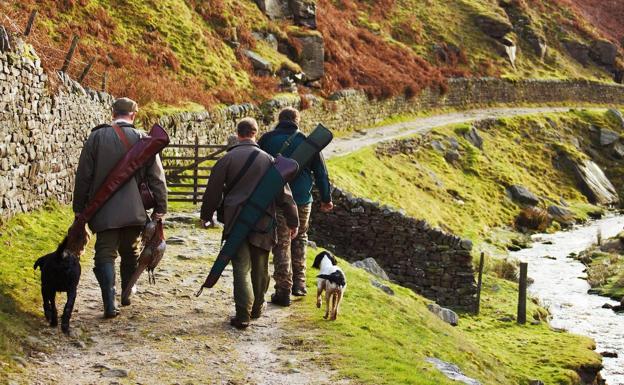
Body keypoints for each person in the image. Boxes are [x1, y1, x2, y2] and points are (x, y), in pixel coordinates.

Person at [200, 117, 299, 329]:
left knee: (241, 268)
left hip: (235, 221)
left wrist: (207, 216)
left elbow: (213, 192)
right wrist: (293, 221)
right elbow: (285, 196)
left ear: (238, 134)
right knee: (261, 268)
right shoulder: (270, 161)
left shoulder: (226, 160)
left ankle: (243, 315)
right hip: (263, 221)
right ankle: (257, 309)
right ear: (255, 133)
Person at [73, 97, 168, 318]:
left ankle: (109, 302)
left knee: (105, 254)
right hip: (135, 211)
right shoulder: (143, 139)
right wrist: (160, 208)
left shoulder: (96, 137)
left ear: (112, 112)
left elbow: (83, 176)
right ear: (134, 115)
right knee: (131, 251)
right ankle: (127, 292)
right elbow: (157, 178)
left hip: (103, 211)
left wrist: (80, 210)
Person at [258, 107, 333, 306]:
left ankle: (283, 290)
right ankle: (299, 284)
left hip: (276, 199)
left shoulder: (266, 140)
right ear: (297, 121)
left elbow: (256, 166)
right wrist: (326, 199)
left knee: (282, 242)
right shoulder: (308, 142)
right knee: (300, 238)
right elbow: (321, 174)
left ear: (279, 120)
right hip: (302, 200)